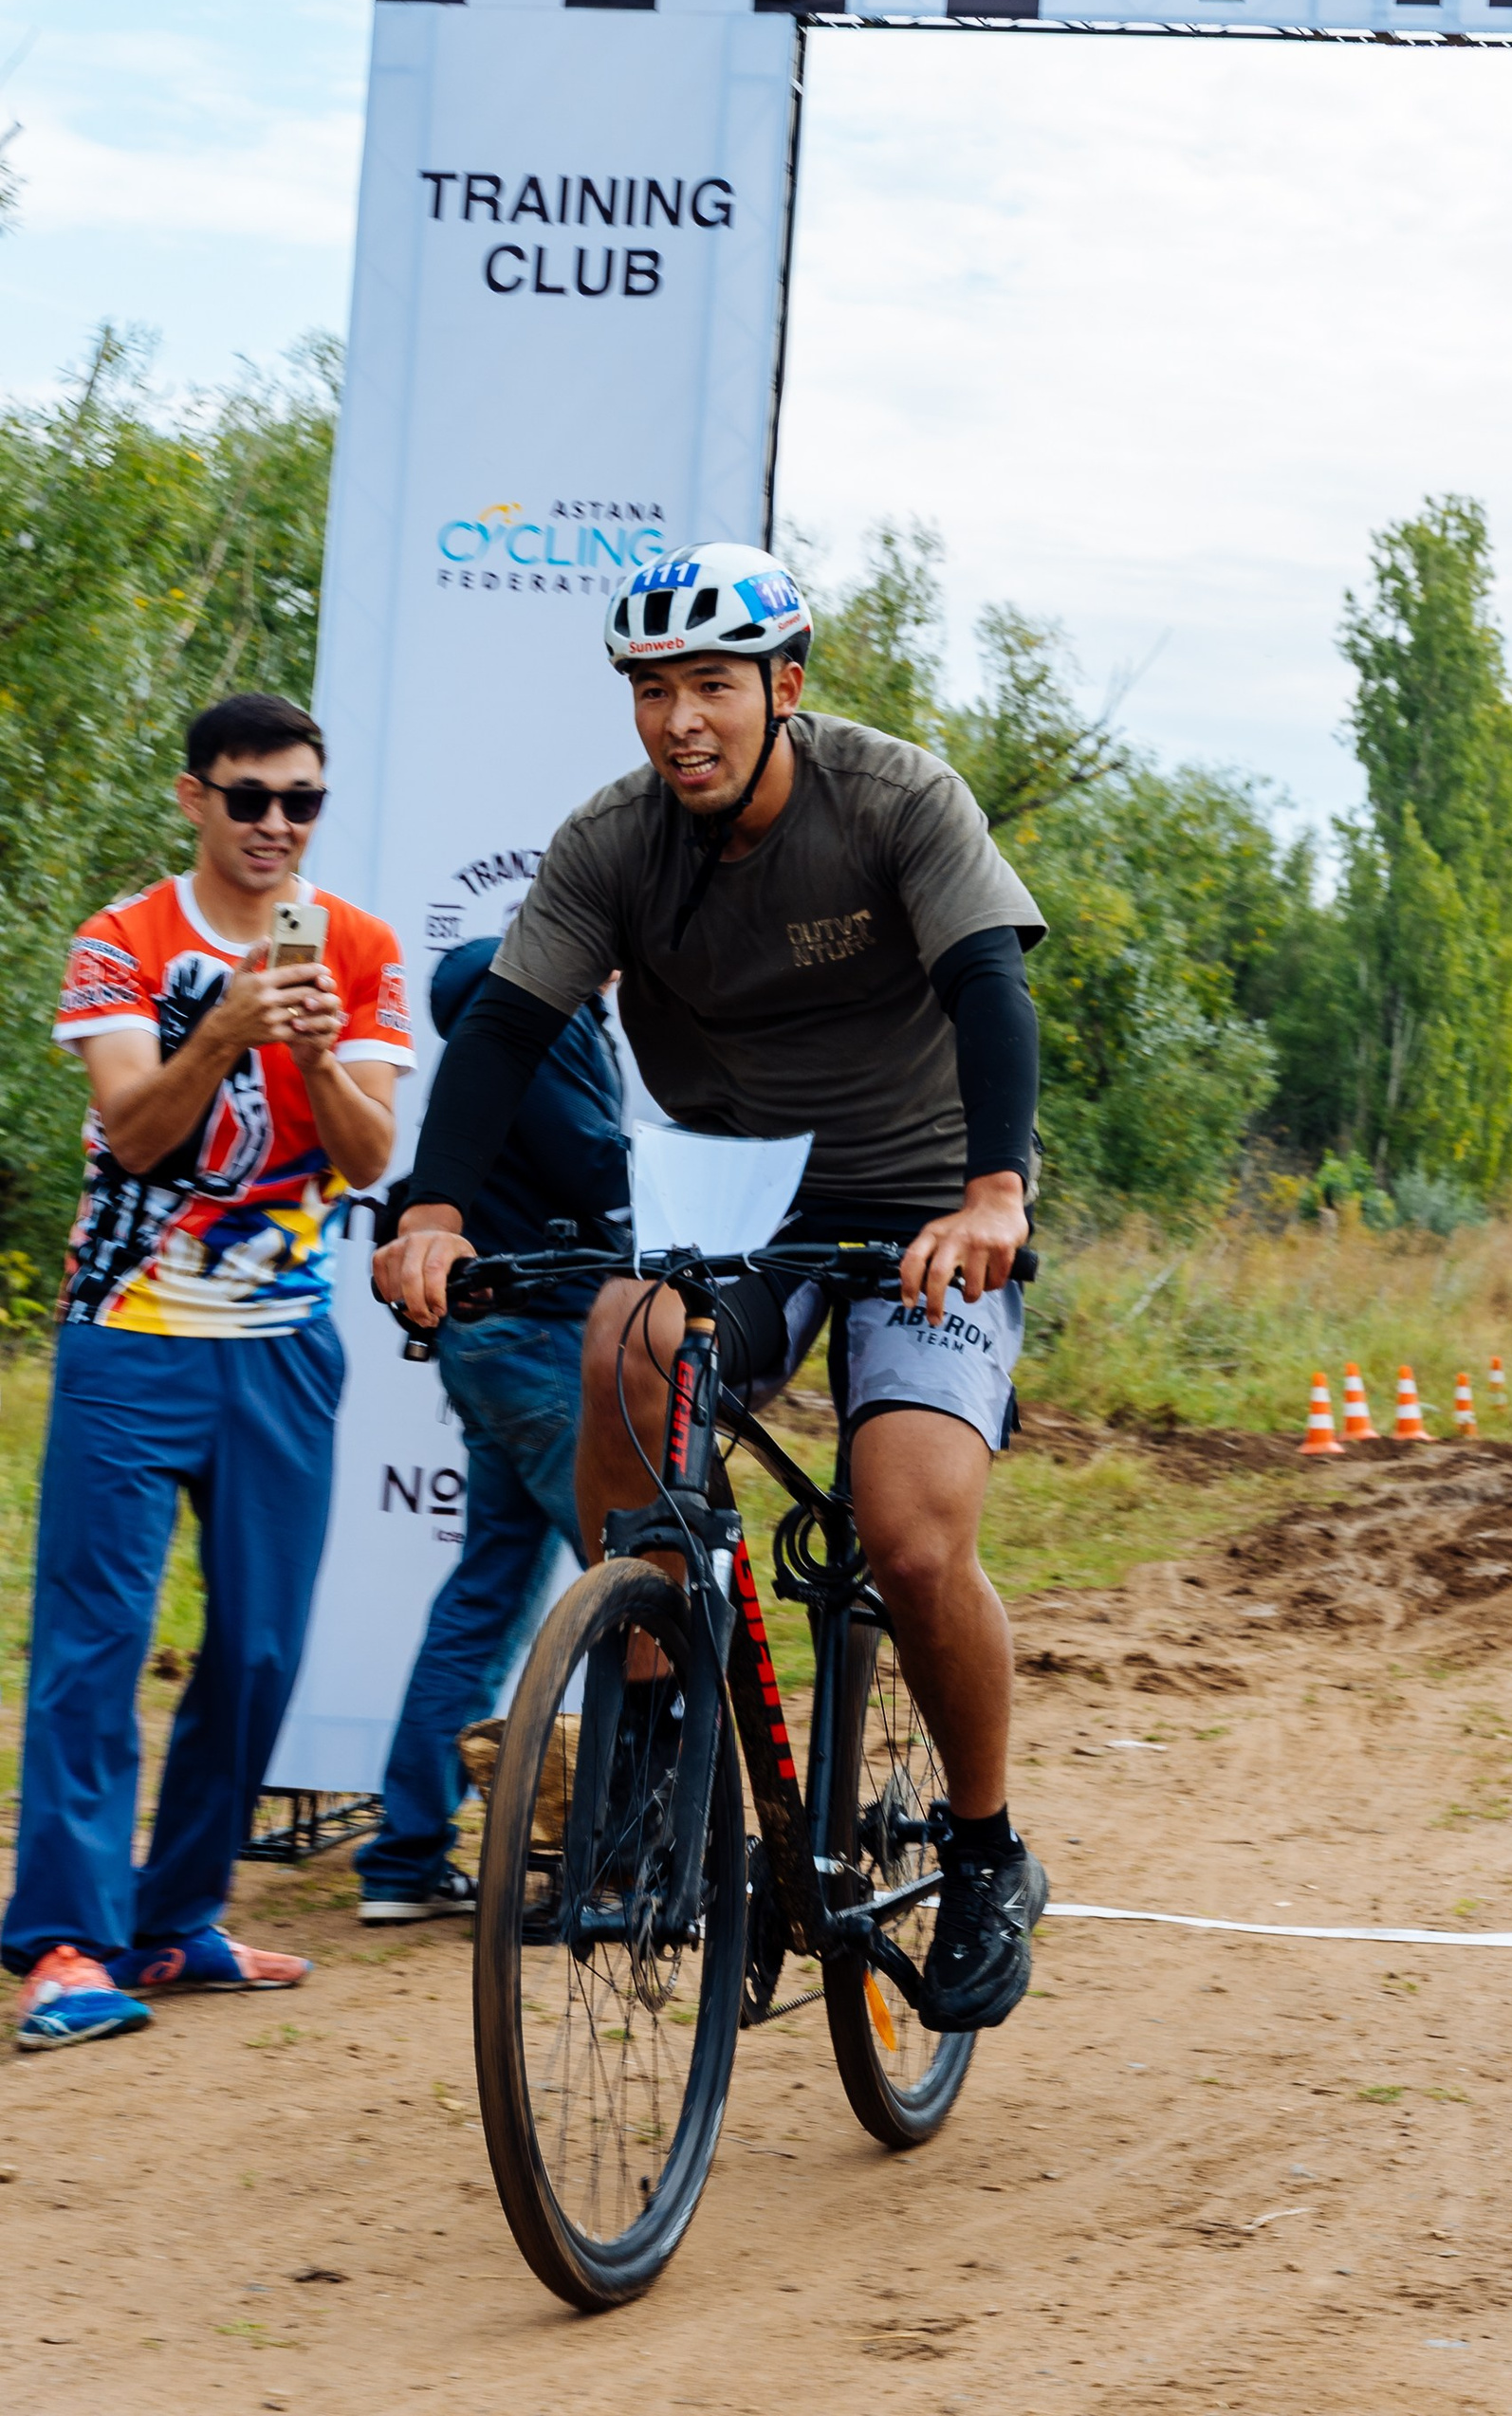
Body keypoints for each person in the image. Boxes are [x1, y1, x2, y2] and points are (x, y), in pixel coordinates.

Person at [377, 542, 1051, 2028]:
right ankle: (660, 1726)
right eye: (653, 689)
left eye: (712, 687)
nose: (681, 718)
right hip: (744, 1196)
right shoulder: (612, 842)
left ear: (783, 689)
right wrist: (431, 1209)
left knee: (908, 1530)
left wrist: (994, 1193)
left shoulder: (893, 797)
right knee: (626, 1331)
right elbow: (501, 1028)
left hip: (926, 1204)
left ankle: (989, 1852)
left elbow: (992, 983)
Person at [9, 692, 410, 2051]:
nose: (278, 826)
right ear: (195, 799)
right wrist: (229, 1026)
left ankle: (174, 1924)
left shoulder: (357, 947)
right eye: (251, 799)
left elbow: (368, 1159)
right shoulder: (122, 940)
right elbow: (131, 1131)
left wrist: (308, 1046)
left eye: (303, 800)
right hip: (131, 1334)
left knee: (259, 1648)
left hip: (283, 1349)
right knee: (94, 1644)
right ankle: (65, 1942)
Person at [355, 934, 634, 1921]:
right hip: (545, 1336)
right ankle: (617, 1857)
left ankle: (405, 1860)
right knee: (638, 1589)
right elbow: (592, 1159)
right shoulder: (543, 1012)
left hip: (486, 1337)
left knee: (484, 1597)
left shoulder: (493, 1011)